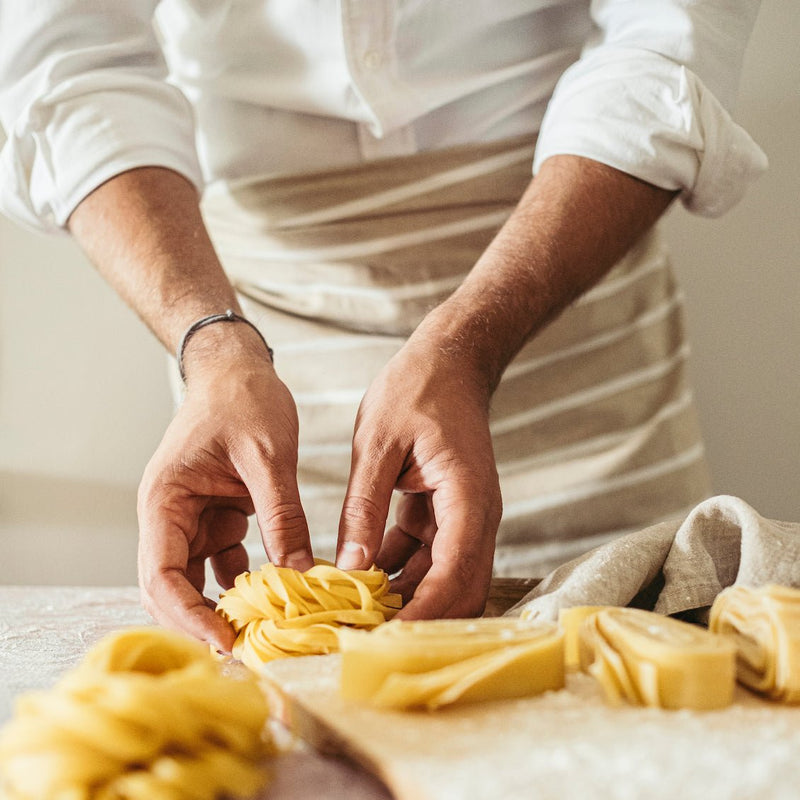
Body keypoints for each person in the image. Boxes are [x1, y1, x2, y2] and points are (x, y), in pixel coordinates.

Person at [0, 1, 766, 651]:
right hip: (252, 336)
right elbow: (70, 68)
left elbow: (667, 42)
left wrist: (469, 343)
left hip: (573, 314)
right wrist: (212, 346)